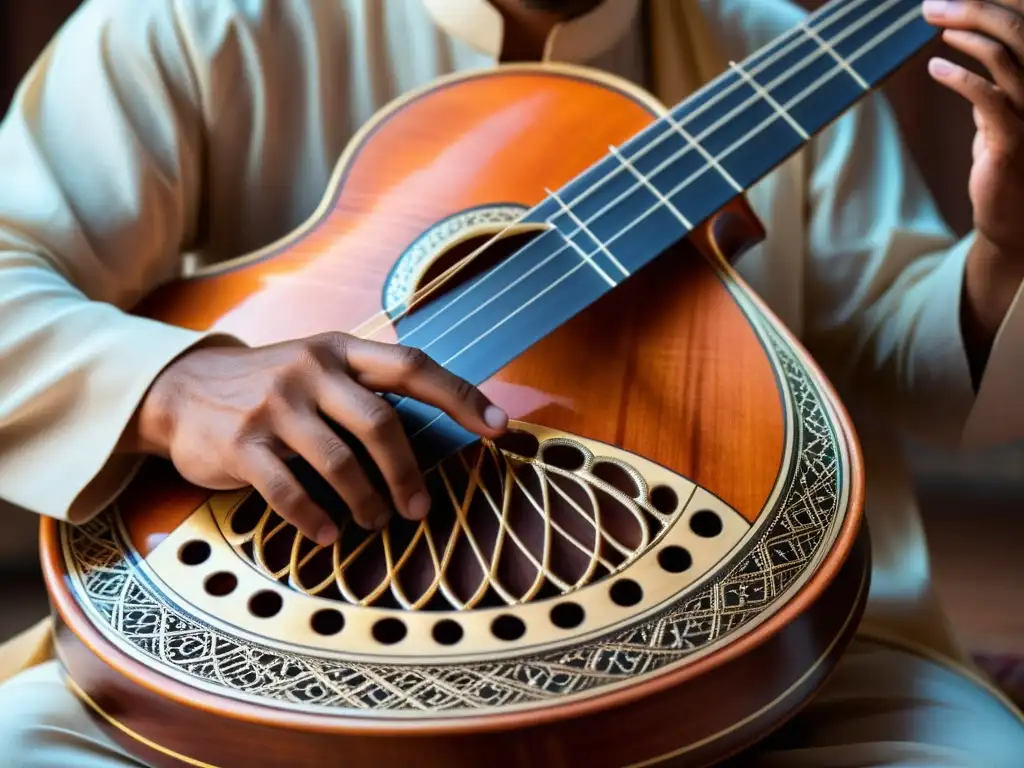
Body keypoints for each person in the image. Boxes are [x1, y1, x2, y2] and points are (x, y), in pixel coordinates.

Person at [0, 0, 1022, 764]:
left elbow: (910, 359)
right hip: (258, 641)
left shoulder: (768, 46)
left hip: (716, 660)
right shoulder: (201, 19)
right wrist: (173, 385)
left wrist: (1007, 248)